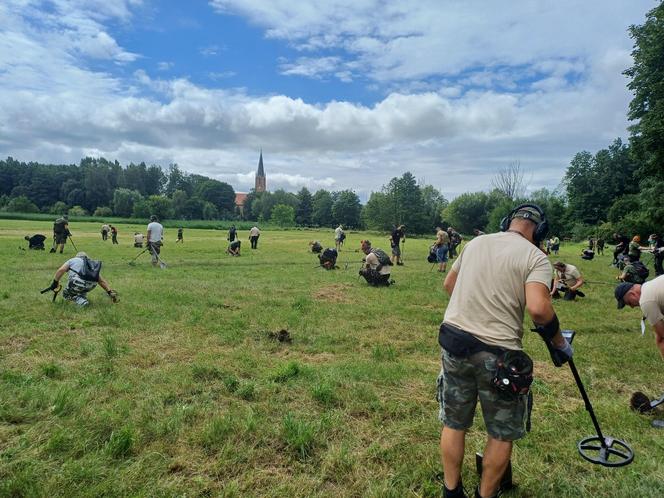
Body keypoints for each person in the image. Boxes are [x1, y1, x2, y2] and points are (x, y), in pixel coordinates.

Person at [438, 204, 572, 498]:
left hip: (454, 343)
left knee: (454, 422)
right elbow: (539, 309)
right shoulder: (536, 257)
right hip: (498, 355)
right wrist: (560, 344)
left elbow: (450, 285)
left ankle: (451, 491)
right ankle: (485, 495)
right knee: (500, 432)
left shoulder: (476, 243)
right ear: (539, 231)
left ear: (507, 222)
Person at [45, 252, 117, 307]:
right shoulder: (91, 264)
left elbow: (61, 270)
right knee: (81, 290)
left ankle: (82, 303)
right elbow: (101, 281)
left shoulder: (72, 260)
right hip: (91, 285)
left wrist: (55, 282)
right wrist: (109, 292)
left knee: (66, 294)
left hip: (77, 283)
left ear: (77, 256)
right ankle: (82, 298)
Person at [615, 276, 664, 357]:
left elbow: (662, 335)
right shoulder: (650, 284)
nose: (632, 307)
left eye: (629, 303)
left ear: (632, 294)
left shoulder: (645, 301)